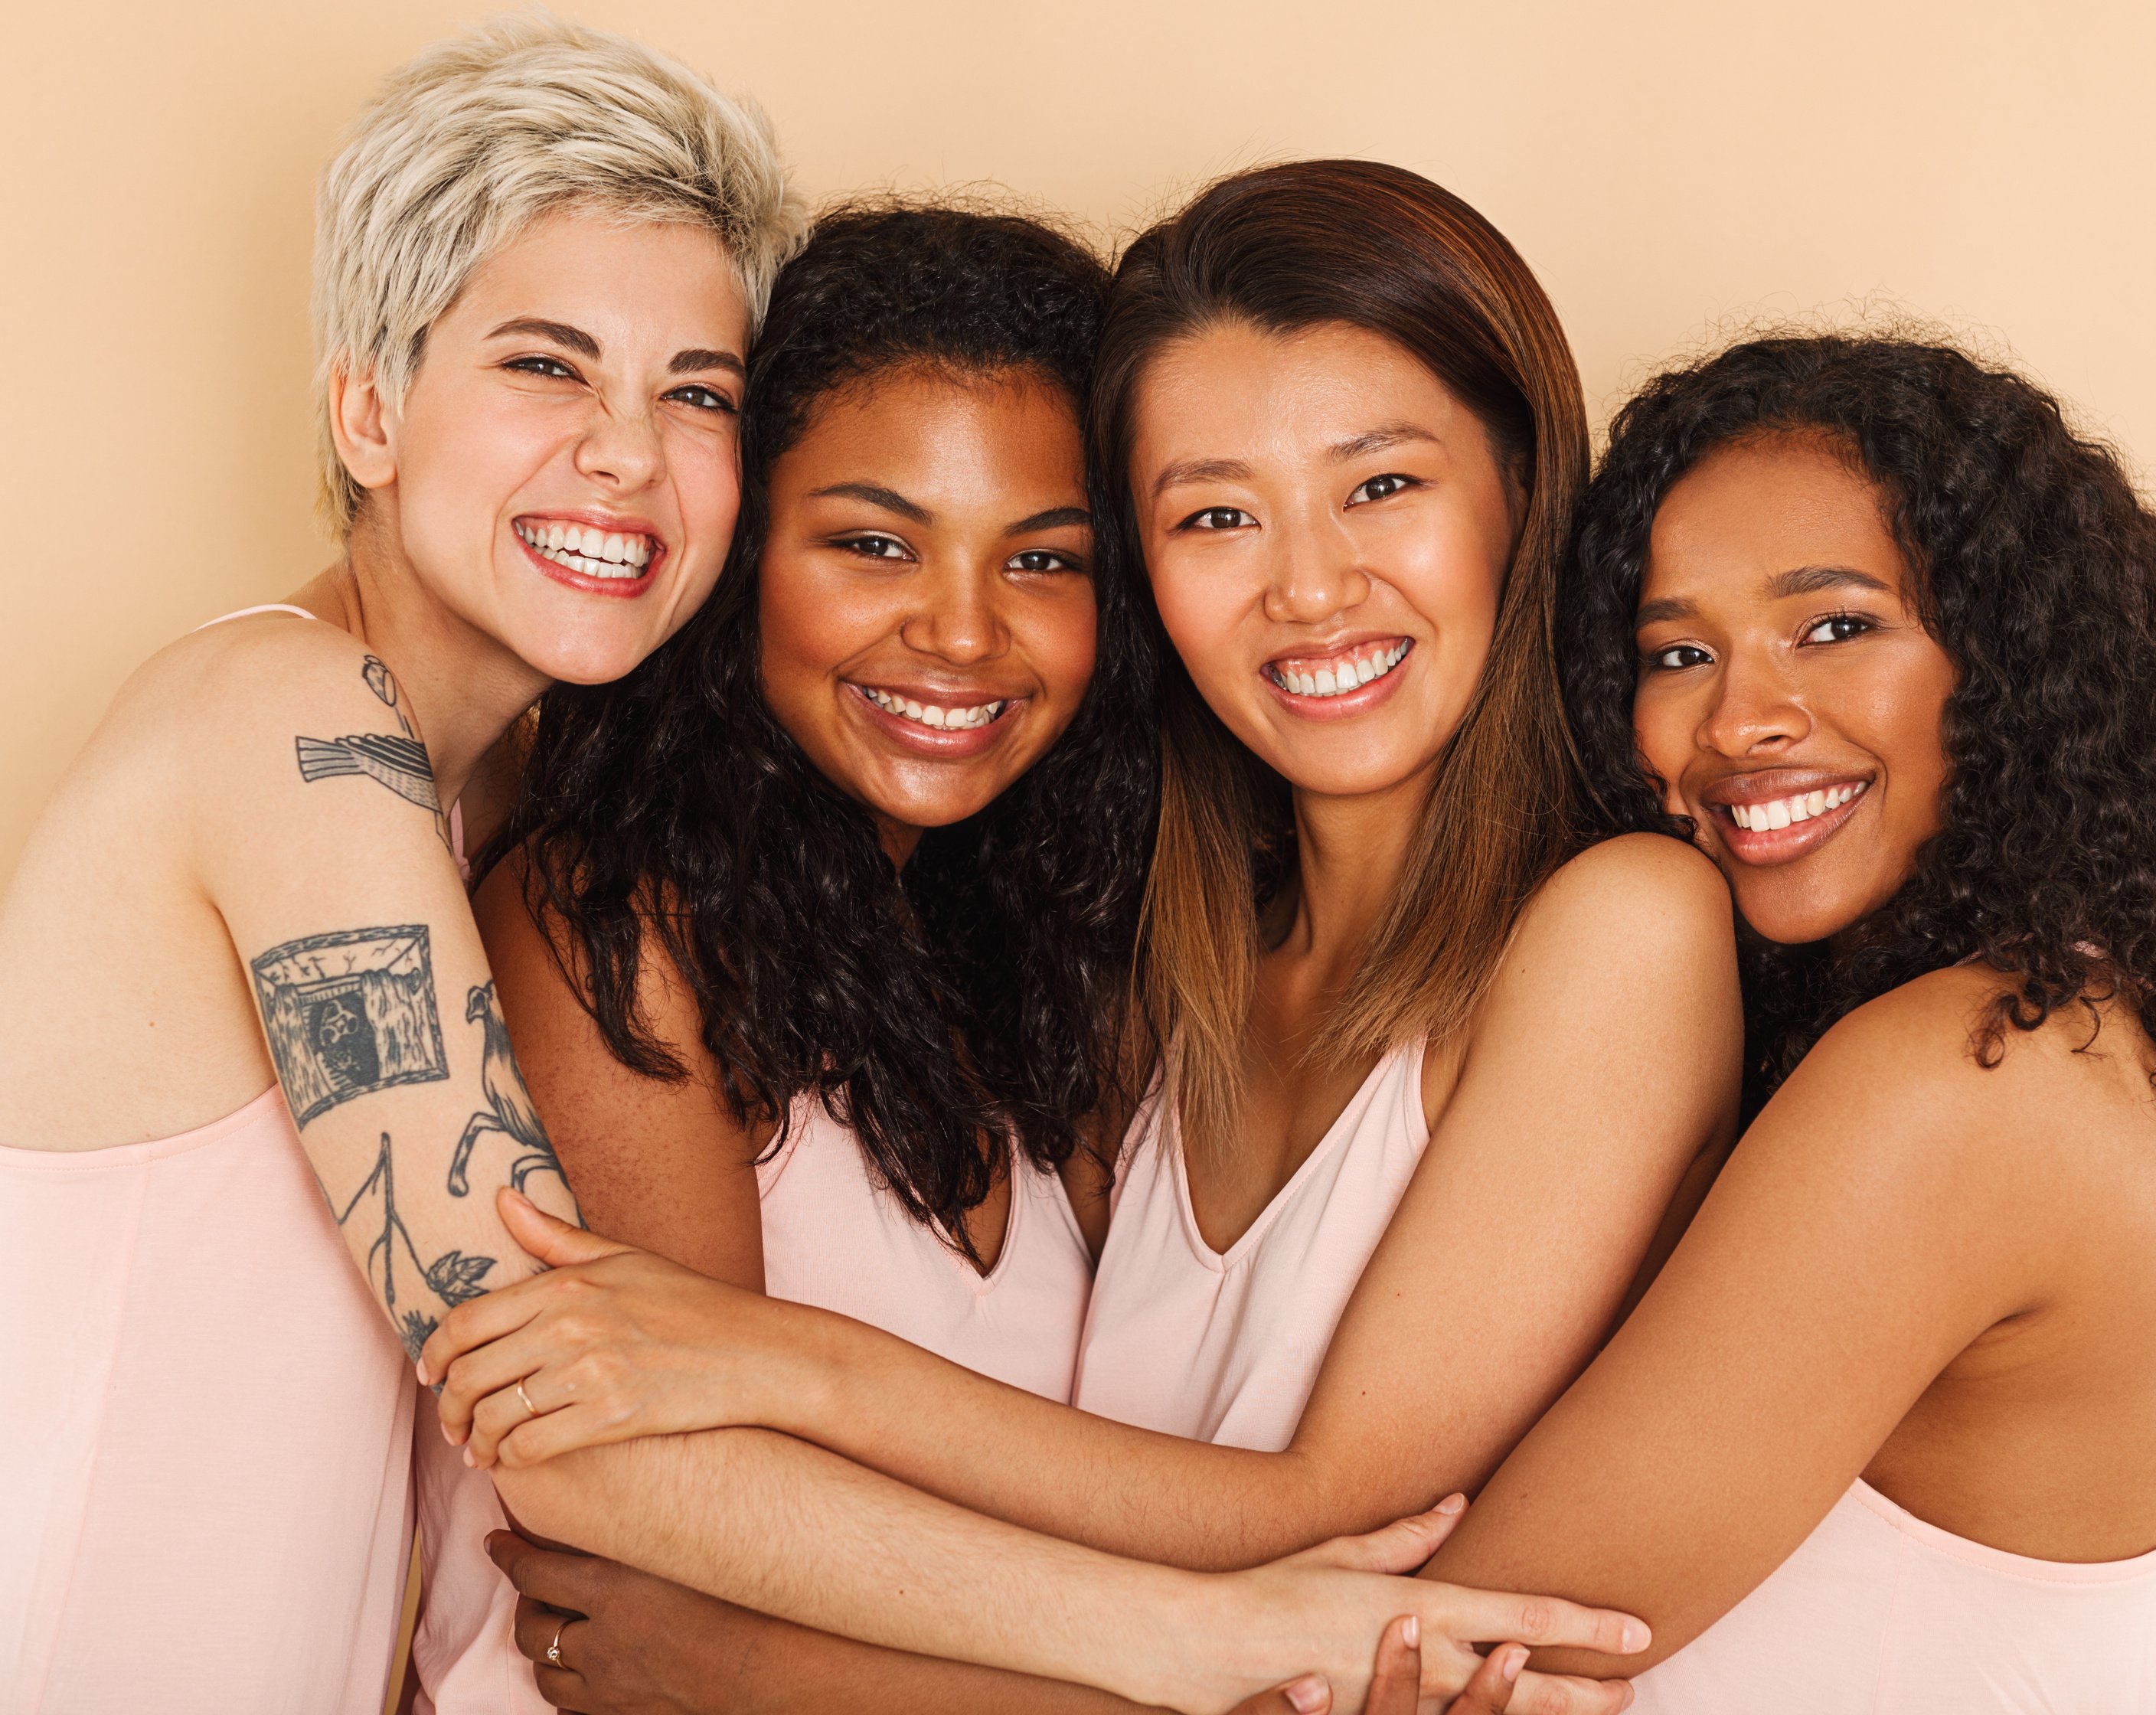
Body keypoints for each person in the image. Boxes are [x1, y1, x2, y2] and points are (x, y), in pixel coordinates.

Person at [423, 160, 1738, 1712]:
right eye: (1218, 514)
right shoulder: (1150, 984)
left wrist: (763, 1616)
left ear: (1524, 493)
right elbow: (640, 1501)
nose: (1310, 586)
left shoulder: (1613, 930)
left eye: (1381, 484)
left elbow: (1336, 1528)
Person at [0, 18, 795, 1710]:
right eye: (547, 365)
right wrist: (1201, 1630)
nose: (628, 452)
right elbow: (568, 1429)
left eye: (698, 392)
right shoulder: (286, 721)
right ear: (368, 408)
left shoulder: (492, 796)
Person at [1393, 334, 2156, 1710]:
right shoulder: (2078, 1033)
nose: (1740, 719)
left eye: (1837, 626)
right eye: (1678, 651)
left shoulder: (1972, 1080)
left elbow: (1436, 1669)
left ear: (2017, 664)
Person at [452, 199, 1161, 1707]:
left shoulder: (1039, 962)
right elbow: (668, 1542)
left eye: (1042, 562)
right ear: (740, 554)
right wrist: (1214, 1661)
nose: (962, 633)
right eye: (874, 543)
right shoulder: (613, 930)